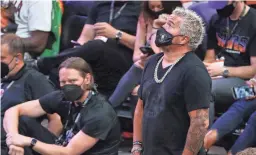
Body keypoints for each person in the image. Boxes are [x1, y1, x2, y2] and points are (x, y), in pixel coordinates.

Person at [132, 7, 212, 155]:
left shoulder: (194, 72)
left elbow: (200, 124)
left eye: (170, 26)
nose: (163, 29)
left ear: (183, 39)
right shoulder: (152, 61)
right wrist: (137, 145)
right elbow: (140, 107)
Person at [3, 57, 121, 155]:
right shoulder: (61, 97)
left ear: (87, 79)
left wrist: (30, 141)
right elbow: (13, 110)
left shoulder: (100, 112)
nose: (68, 86)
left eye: (73, 81)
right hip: (63, 144)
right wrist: (13, 139)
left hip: (74, 152)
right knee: (23, 121)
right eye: (63, 82)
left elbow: (69, 152)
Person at [34, 1, 141, 97]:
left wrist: (117, 34)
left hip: (125, 58)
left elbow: (143, 45)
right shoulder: (101, 4)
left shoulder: (141, 6)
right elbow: (85, 38)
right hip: (96, 53)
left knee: (97, 45)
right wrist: (77, 53)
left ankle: (43, 63)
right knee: (61, 70)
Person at [109, 0, 182, 109]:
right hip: (148, 65)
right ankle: (109, 109)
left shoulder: (178, 20)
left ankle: (108, 109)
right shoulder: (145, 18)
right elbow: (136, 55)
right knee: (138, 65)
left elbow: (165, 54)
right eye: (152, 7)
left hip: (171, 68)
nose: (156, 10)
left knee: (138, 75)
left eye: (159, 7)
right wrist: (142, 57)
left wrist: (157, 26)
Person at [1, 34, 62, 153]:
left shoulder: (34, 80)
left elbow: (56, 120)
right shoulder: (3, 75)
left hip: (11, 145)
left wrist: (43, 149)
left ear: (17, 58)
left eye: (1, 58)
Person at [204, 0, 256, 112]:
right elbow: (209, 58)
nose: (219, 9)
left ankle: (203, 130)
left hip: (248, 87)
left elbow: (253, 70)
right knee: (191, 83)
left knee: (206, 89)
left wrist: (223, 71)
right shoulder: (216, 19)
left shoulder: (253, 22)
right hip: (218, 75)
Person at [204, 78, 256, 155]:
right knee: (242, 99)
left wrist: (225, 70)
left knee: (254, 118)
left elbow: (251, 69)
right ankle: (205, 141)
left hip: (239, 77)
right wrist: (254, 81)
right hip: (250, 89)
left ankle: (232, 153)